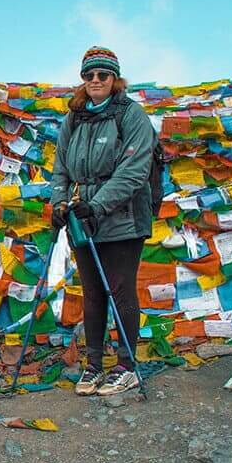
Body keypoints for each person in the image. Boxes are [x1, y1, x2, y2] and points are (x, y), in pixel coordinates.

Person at [50, 46, 155, 396]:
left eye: (103, 75)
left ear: (115, 78)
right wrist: (60, 204)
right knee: (93, 291)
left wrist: (97, 205)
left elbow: (134, 170)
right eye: (89, 75)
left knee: (120, 288)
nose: (96, 80)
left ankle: (125, 365)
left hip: (123, 217)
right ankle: (94, 365)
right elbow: (60, 168)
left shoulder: (131, 115)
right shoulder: (74, 118)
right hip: (83, 218)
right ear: (83, 79)